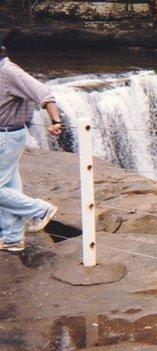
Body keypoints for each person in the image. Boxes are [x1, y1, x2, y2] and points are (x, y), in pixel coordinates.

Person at [0, 38, 62, 251]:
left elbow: (43, 93)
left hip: (6, 136)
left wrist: (56, 121)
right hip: (8, 135)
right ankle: (13, 239)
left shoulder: (9, 72)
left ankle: (40, 210)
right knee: (9, 187)